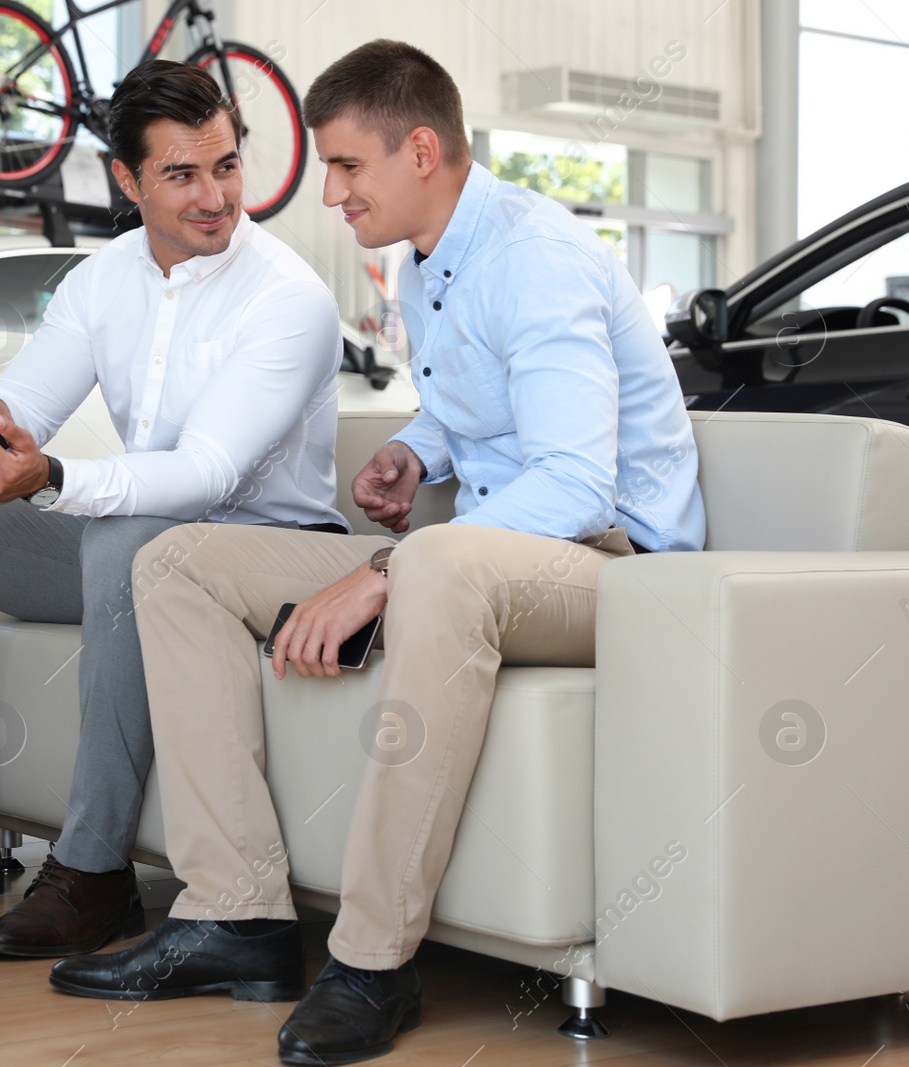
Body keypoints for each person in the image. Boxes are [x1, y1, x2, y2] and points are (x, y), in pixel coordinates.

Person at [47, 39, 707, 1064]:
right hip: (503, 552)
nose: (329, 193)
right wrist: (412, 447)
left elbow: (576, 481)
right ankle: (236, 912)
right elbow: (471, 406)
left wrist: (383, 566)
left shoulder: (534, 259)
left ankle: (370, 962)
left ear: (421, 149)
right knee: (175, 560)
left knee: (435, 562)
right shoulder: (425, 257)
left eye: (347, 166)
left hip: (616, 563)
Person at [0, 59, 347, 960]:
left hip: (262, 557)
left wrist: (51, 477)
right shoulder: (103, 280)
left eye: (226, 166)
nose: (216, 197)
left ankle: (92, 874)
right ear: (126, 180)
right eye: (181, 174)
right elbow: (31, 404)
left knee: (126, 538)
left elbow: (206, 474)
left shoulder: (290, 301)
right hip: (135, 549)